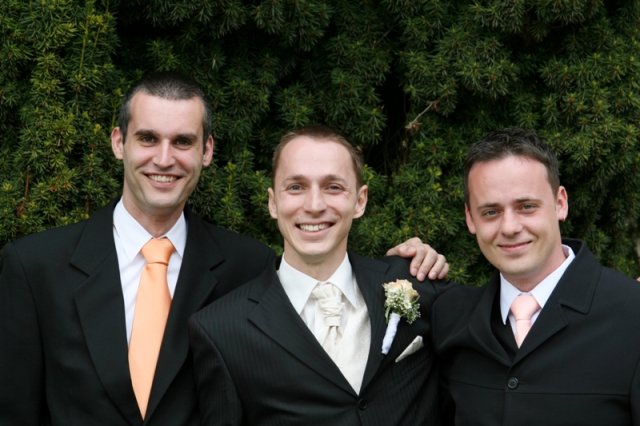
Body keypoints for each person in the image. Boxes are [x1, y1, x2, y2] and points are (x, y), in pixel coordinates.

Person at [0, 72, 447, 426]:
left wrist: (410, 262)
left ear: (207, 151)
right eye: (148, 138)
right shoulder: (34, 267)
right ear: (119, 142)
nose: (164, 158)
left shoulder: (247, 265)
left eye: (183, 141)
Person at [189, 126, 449, 425]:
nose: (314, 206)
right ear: (273, 202)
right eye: (296, 187)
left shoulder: (417, 282)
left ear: (360, 200)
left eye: (333, 187)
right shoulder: (221, 329)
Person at [431, 128, 640, 425]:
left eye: (526, 207)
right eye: (490, 212)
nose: (510, 227)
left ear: (560, 203)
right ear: (469, 218)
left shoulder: (632, 313)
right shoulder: (451, 317)